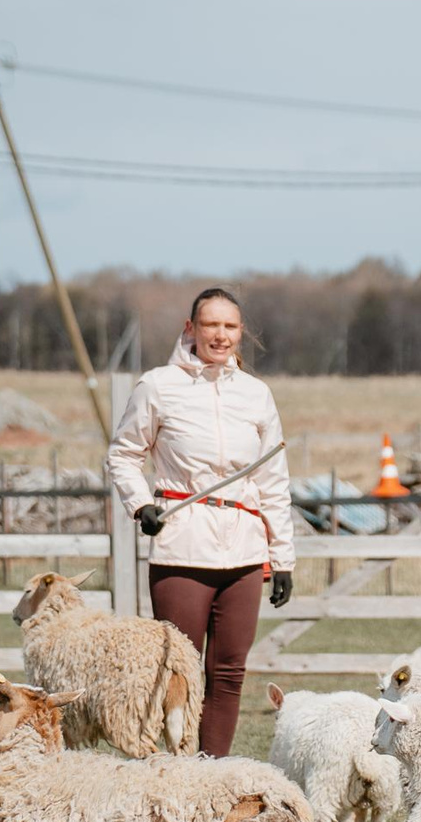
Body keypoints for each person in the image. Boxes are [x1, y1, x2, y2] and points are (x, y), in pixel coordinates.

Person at [105, 287, 296, 756]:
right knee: (179, 673)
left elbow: (273, 480)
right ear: (190, 328)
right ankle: (176, 772)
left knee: (229, 673)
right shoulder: (158, 386)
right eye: (211, 325)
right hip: (182, 548)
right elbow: (123, 455)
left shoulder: (256, 395)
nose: (221, 335)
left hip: (245, 552)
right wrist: (139, 504)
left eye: (230, 326)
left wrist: (282, 557)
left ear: (240, 332)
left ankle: (213, 775)